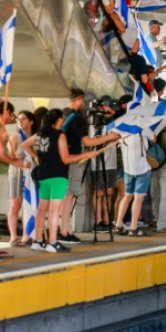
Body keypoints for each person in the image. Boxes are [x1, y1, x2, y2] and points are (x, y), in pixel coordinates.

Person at [24, 109, 100, 253]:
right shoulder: (60, 136)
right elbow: (66, 159)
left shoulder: (40, 135)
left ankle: (38, 241)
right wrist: (87, 154)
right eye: (62, 119)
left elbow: (25, 145)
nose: (64, 121)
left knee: (42, 210)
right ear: (58, 120)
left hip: (43, 176)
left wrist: (36, 157)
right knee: (54, 211)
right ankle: (52, 242)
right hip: (58, 176)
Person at [60, 88, 119, 244]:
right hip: (73, 161)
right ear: (79, 99)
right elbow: (88, 142)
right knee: (68, 198)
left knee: (67, 198)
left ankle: (65, 230)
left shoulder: (65, 115)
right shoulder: (77, 118)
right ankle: (64, 232)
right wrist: (109, 137)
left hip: (65, 160)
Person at [114, 120, 153, 237]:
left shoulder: (120, 125)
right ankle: (133, 227)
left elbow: (114, 137)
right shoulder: (142, 125)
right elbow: (154, 138)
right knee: (138, 197)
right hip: (142, 167)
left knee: (127, 195)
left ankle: (118, 225)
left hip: (128, 168)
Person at [6, 110, 35, 247]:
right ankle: (13, 236)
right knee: (16, 204)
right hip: (18, 172)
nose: (21, 121)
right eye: (20, 118)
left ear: (31, 122)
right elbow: (8, 157)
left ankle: (27, 235)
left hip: (30, 174)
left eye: (24, 119)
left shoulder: (34, 137)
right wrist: (21, 162)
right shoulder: (15, 137)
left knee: (29, 205)